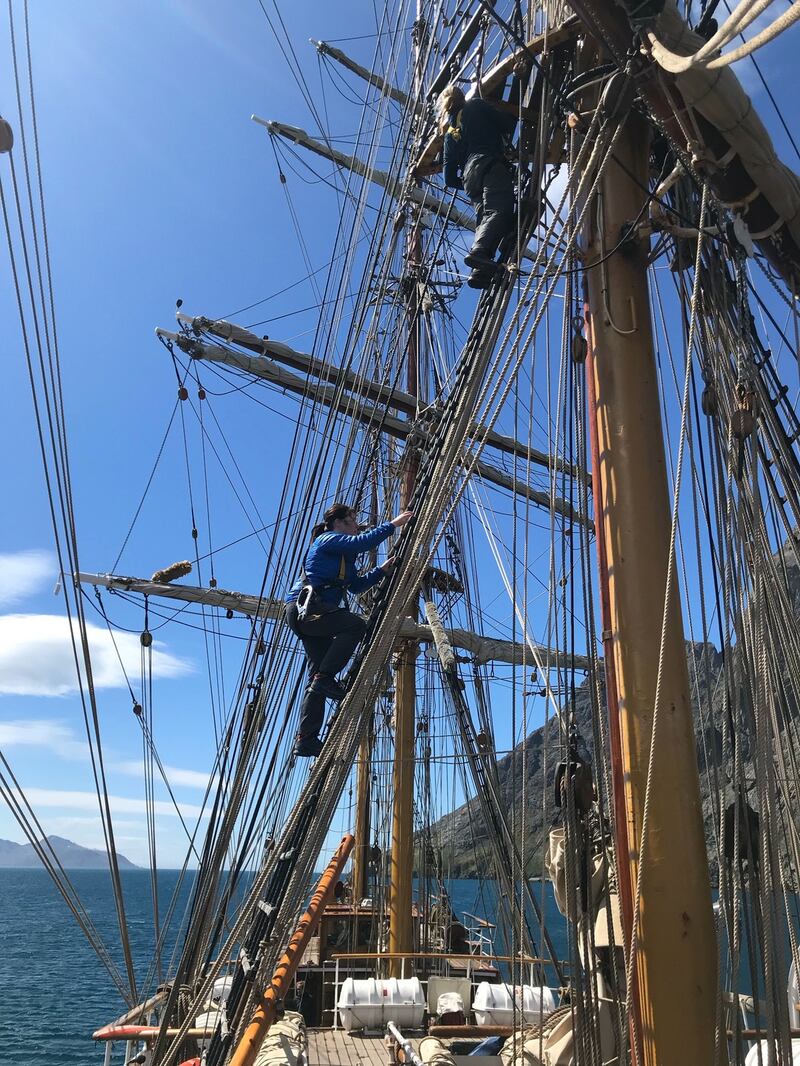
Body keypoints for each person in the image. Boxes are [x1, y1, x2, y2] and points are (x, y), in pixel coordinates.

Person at [285, 502, 414, 757]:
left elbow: (355, 586)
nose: (356, 526)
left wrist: (380, 571)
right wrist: (394, 524)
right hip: (307, 609)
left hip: (315, 614)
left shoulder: (345, 557)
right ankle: (325, 681)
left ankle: (306, 738)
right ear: (338, 523)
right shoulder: (327, 540)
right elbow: (360, 543)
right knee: (355, 625)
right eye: (352, 521)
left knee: (317, 677)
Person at [438, 84, 517, 288]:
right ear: (462, 96)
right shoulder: (475, 106)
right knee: (499, 211)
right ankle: (479, 252)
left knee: (485, 219)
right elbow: (507, 125)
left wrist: (466, 183)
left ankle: (480, 270)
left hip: (469, 179)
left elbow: (448, 178)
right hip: (488, 163)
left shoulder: (449, 133)